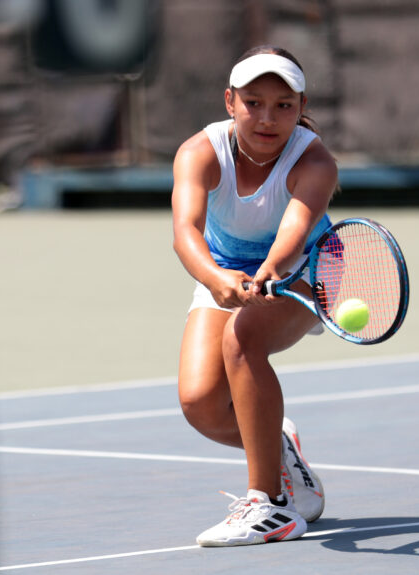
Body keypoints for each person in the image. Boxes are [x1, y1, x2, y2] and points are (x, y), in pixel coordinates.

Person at [171, 45, 337, 547]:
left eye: (284, 105)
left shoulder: (314, 160)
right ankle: (281, 450)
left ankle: (268, 506)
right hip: (224, 268)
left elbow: (293, 232)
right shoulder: (199, 152)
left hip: (309, 267)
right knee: (201, 403)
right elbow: (186, 232)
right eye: (254, 102)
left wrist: (268, 273)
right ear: (230, 101)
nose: (268, 118)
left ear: (300, 105)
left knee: (242, 342)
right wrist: (219, 280)